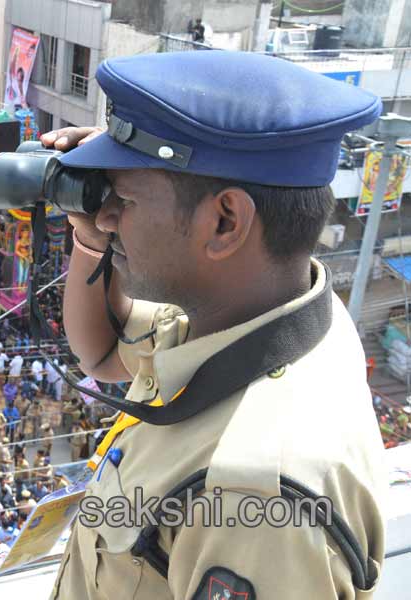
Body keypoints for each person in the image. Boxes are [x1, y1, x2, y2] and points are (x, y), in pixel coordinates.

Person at [41, 51, 385, 599]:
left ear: (225, 222)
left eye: (123, 199)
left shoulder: (255, 490)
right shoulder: (268, 312)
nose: (107, 215)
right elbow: (103, 352)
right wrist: (90, 237)